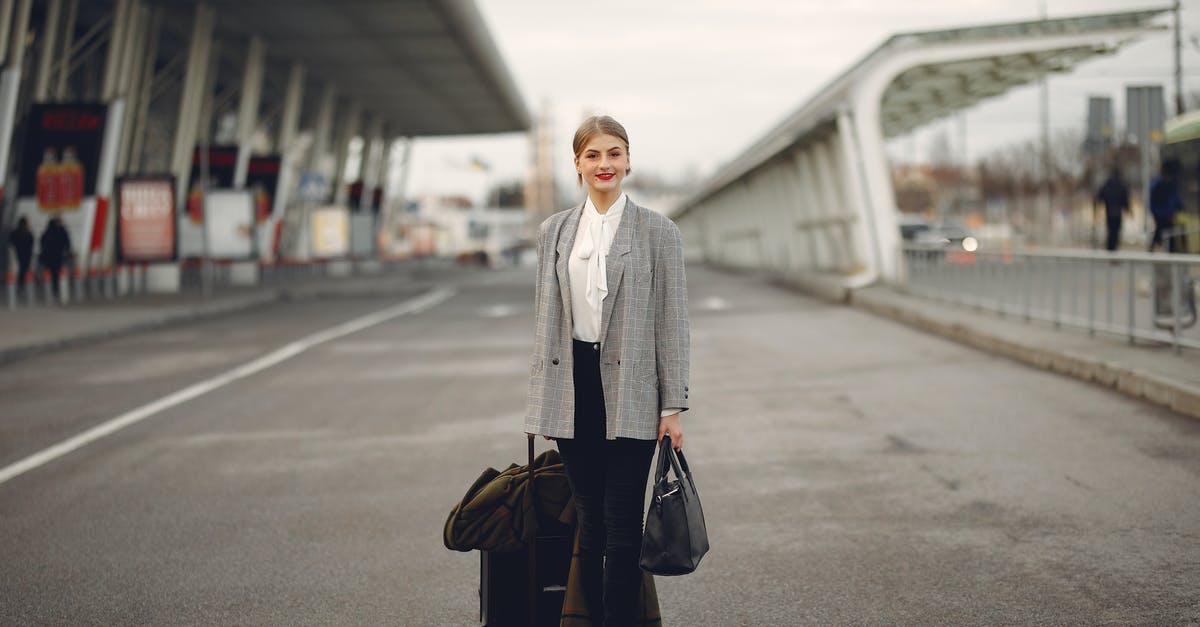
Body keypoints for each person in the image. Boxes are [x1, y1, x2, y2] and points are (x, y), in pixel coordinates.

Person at [525, 115, 690, 626]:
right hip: (574, 388)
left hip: (632, 392)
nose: (604, 164)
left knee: (622, 529)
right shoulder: (554, 231)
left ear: (628, 161)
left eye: (614, 153)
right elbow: (546, 322)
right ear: (577, 163)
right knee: (590, 526)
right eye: (593, 155)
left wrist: (673, 407)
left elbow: (672, 321)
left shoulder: (658, 231)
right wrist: (544, 401)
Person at [1148, 159, 1184, 253]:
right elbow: (1173, 200)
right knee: (1164, 233)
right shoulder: (1161, 184)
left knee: (1163, 233)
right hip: (1163, 214)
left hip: (1162, 214)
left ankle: (1153, 251)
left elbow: (1174, 200)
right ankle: (1156, 252)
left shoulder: (1161, 183)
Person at [1095, 167, 1129, 252]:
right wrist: (1127, 209)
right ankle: (1113, 249)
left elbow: (1100, 196)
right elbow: (1125, 198)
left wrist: (1097, 208)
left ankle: (1110, 249)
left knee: (1110, 231)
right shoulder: (1121, 185)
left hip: (1109, 211)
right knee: (1116, 232)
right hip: (1117, 212)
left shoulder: (1107, 184)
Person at [38, 216, 72, 299]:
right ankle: (55, 289)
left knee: (49, 274)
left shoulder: (47, 232)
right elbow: (67, 243)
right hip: (58, 256)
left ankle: (51, 289)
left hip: (49, 257)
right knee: (56, 274)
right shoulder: (61, 231)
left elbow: (42, 244)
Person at [7, 216, 33, 289]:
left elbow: (11, 243)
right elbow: (31, 244)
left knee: (19, 271)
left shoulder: (15, 233)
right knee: (24, 270)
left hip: (17, 254)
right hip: (26, 255)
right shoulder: (28, 233)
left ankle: (19, 285)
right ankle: (23, 285)